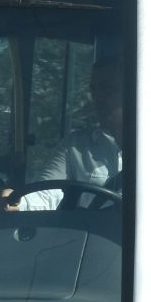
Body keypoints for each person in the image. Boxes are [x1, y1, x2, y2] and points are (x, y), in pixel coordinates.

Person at [16, 52, 123, 211]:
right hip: (89, 227)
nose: (98, 98)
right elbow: (47, 193)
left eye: (107, 89)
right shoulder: (75, 146)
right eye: (94, 91)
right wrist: (19, 203)